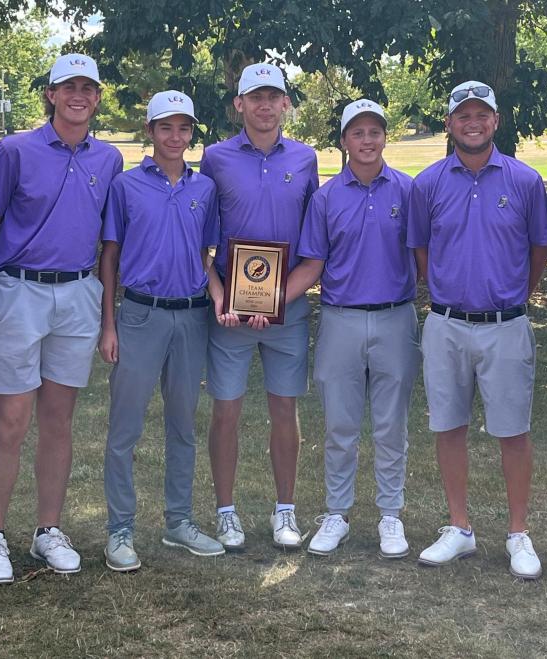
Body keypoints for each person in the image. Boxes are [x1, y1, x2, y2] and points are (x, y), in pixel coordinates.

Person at [0, 54, 123, 584]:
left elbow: (110, 245)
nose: (79, 95)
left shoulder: (109, 160)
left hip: (78, 293)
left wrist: (107, 314)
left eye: (89, 88)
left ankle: (47, 531)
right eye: (69, 87)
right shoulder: (13, 150)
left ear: (98, 96)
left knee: (58, 421)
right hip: (19, 291)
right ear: (51, 94)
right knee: (11, 421)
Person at [407, 81, 547, 579]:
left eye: (481, 115)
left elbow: (539, 253)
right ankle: (459, 528)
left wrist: (513, 297)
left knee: (513, 430)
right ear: (449, 123)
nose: (472, 122)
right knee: (448, 425)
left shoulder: (525, 180)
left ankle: (517, 532)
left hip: (506, 325)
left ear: (495, 120)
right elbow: (422, 254)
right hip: (446, 324)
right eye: (462, 115)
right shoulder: (426, 184)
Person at [287, 99, 421, 558]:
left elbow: (425, 258)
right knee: (341, 425)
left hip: (395, 317)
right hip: (341, 318)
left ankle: (390, 516)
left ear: (385, 137)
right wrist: (263, 303)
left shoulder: (408, 190)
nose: (367, 141)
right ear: (343, 141)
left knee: (391, 424)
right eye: (357, 133)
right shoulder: (326, 198)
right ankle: (337, 513)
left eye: (375, 132)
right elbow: (313, 265)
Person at [98, 90, 225, 571]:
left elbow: (204, 255)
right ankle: (121, 530)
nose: (176, 136)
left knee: (183, 425)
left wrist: (215, 293)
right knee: (124, 429)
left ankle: (178, 522)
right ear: (149, 131)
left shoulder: (204, 189)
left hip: (191, 316)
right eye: (166, 127)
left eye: (185, 128)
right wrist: (108, 323)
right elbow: (109, 258)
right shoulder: (125, 187)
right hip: (140, 314)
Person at [200, 63, 319, 550]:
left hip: (286, 312)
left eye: (274, 96)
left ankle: (285, 511)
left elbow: (316, 248)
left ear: (286, 103)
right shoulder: (215, 158)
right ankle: (226, 512)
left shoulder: (307, 159)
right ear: (239, 104)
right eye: (256, 97)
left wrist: (274, 301)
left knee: (284, 410)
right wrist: (222, 296)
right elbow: (201, 242)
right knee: (225, 411)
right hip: (229, 311)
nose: (265, 105)